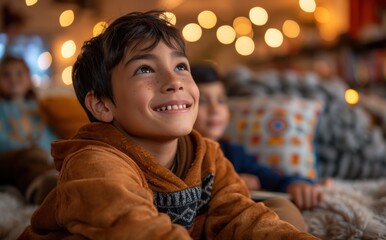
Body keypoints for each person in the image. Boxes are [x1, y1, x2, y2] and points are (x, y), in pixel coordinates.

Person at [18, 10, 318, 240]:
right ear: (102, 105)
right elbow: (135, 228)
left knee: (278, 214)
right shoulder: (93, 163)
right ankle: (43, 186)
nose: (174, 81)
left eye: (180, 66)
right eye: (145, 69)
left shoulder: (207, 154)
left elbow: (238, 214)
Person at [192, 63, 328, 210]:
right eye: (203, 101)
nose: (215, 109)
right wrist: (229, 182)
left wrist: (297, 184)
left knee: (284, 209)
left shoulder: (234, 152)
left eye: (221, 100)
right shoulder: (180, 152)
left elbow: (272, 178)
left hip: (238, 216)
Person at [0, 55, 58, 205]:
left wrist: (50, 154)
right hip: (9, 158)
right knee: (30, 159)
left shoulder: (38, 108)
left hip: (41, 158)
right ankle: (39, 191)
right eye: (6, 75)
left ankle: (55, 185)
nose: (13, 79)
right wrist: (31, 150)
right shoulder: (2, 108)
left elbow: (49, 135)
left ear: (29, 79)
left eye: (19, 73)